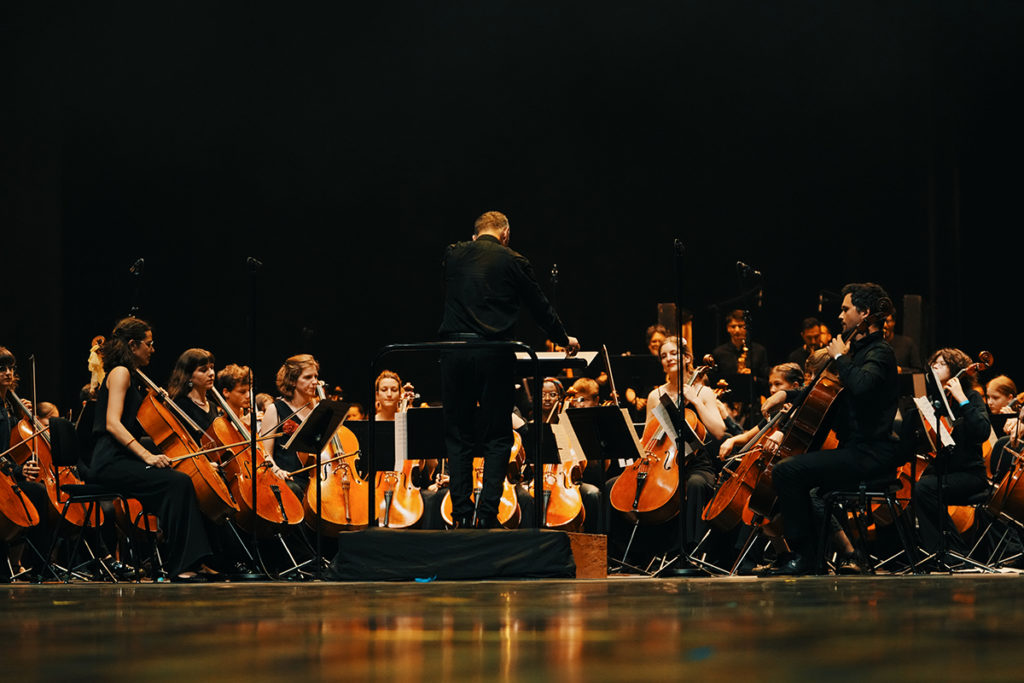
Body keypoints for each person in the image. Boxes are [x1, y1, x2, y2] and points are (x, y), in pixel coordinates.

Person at [439, 210, 579, 529]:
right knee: (498, 435)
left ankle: (460, 513)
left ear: (476, 234)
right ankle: (488, 514)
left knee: (458, 433)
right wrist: (562, 338)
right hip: (494, 352)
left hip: (454, 351)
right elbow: (539, 305)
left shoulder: (453, 254)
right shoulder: (513, 259)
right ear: (506, 233)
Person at [762, 282, 900, 575]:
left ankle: (806, 557)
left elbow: (861, 387)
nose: (840, 315)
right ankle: (811, 557)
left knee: (787, 471)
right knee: (796, 477)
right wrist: (785, 394)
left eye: (845, 308)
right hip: (853, 451)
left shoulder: (880, 352)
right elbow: (819, 392)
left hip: (872, 453)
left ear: (863, 313)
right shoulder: (856, 351)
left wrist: (839, 357)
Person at [86, 317, 214, 581]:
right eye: (149, 343)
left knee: (180, 481)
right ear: (133, 345)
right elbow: (112, 423)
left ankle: (188, 562)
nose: (152, 349)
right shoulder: (120, 372)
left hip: (122, 459)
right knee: (177, 483)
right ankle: (183, 566)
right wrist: (147, 456)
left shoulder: (133, 376)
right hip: (109, 461)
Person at [912, 348, 991, 557]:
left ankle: (953, 552)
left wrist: (962, 399)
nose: (935, 365)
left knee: (925, 489)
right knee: (913, 487)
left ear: (956, 370)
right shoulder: (934, 402)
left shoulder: (971, 397)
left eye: (942, 363)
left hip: (970, 475)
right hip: (942, 471)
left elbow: (982, 431)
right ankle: (936, 552)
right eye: (934, 362)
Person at [261, 354, 320, 499]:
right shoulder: (275, 410)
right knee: (294, 491)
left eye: (316, 376)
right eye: (308, 377)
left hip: (315, 478)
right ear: (293, 381)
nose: (315, 382)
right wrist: (276, 470)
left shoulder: (319, 409)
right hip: (288, 479)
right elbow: (264, 453)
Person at [167, 348, 219, 442]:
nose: (211, 373)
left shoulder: (213, 406)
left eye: (212, 367)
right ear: (189, 376)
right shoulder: (179, 406)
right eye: (203, 370)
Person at [712, 309, 769, 379]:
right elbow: (714, 379)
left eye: (741, 326)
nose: (737, 330)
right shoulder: (718, 353)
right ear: (727, 328)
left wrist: (753, 378)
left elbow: (766, 380)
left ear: (747, 328)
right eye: (733, 326)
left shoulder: (759, 350)